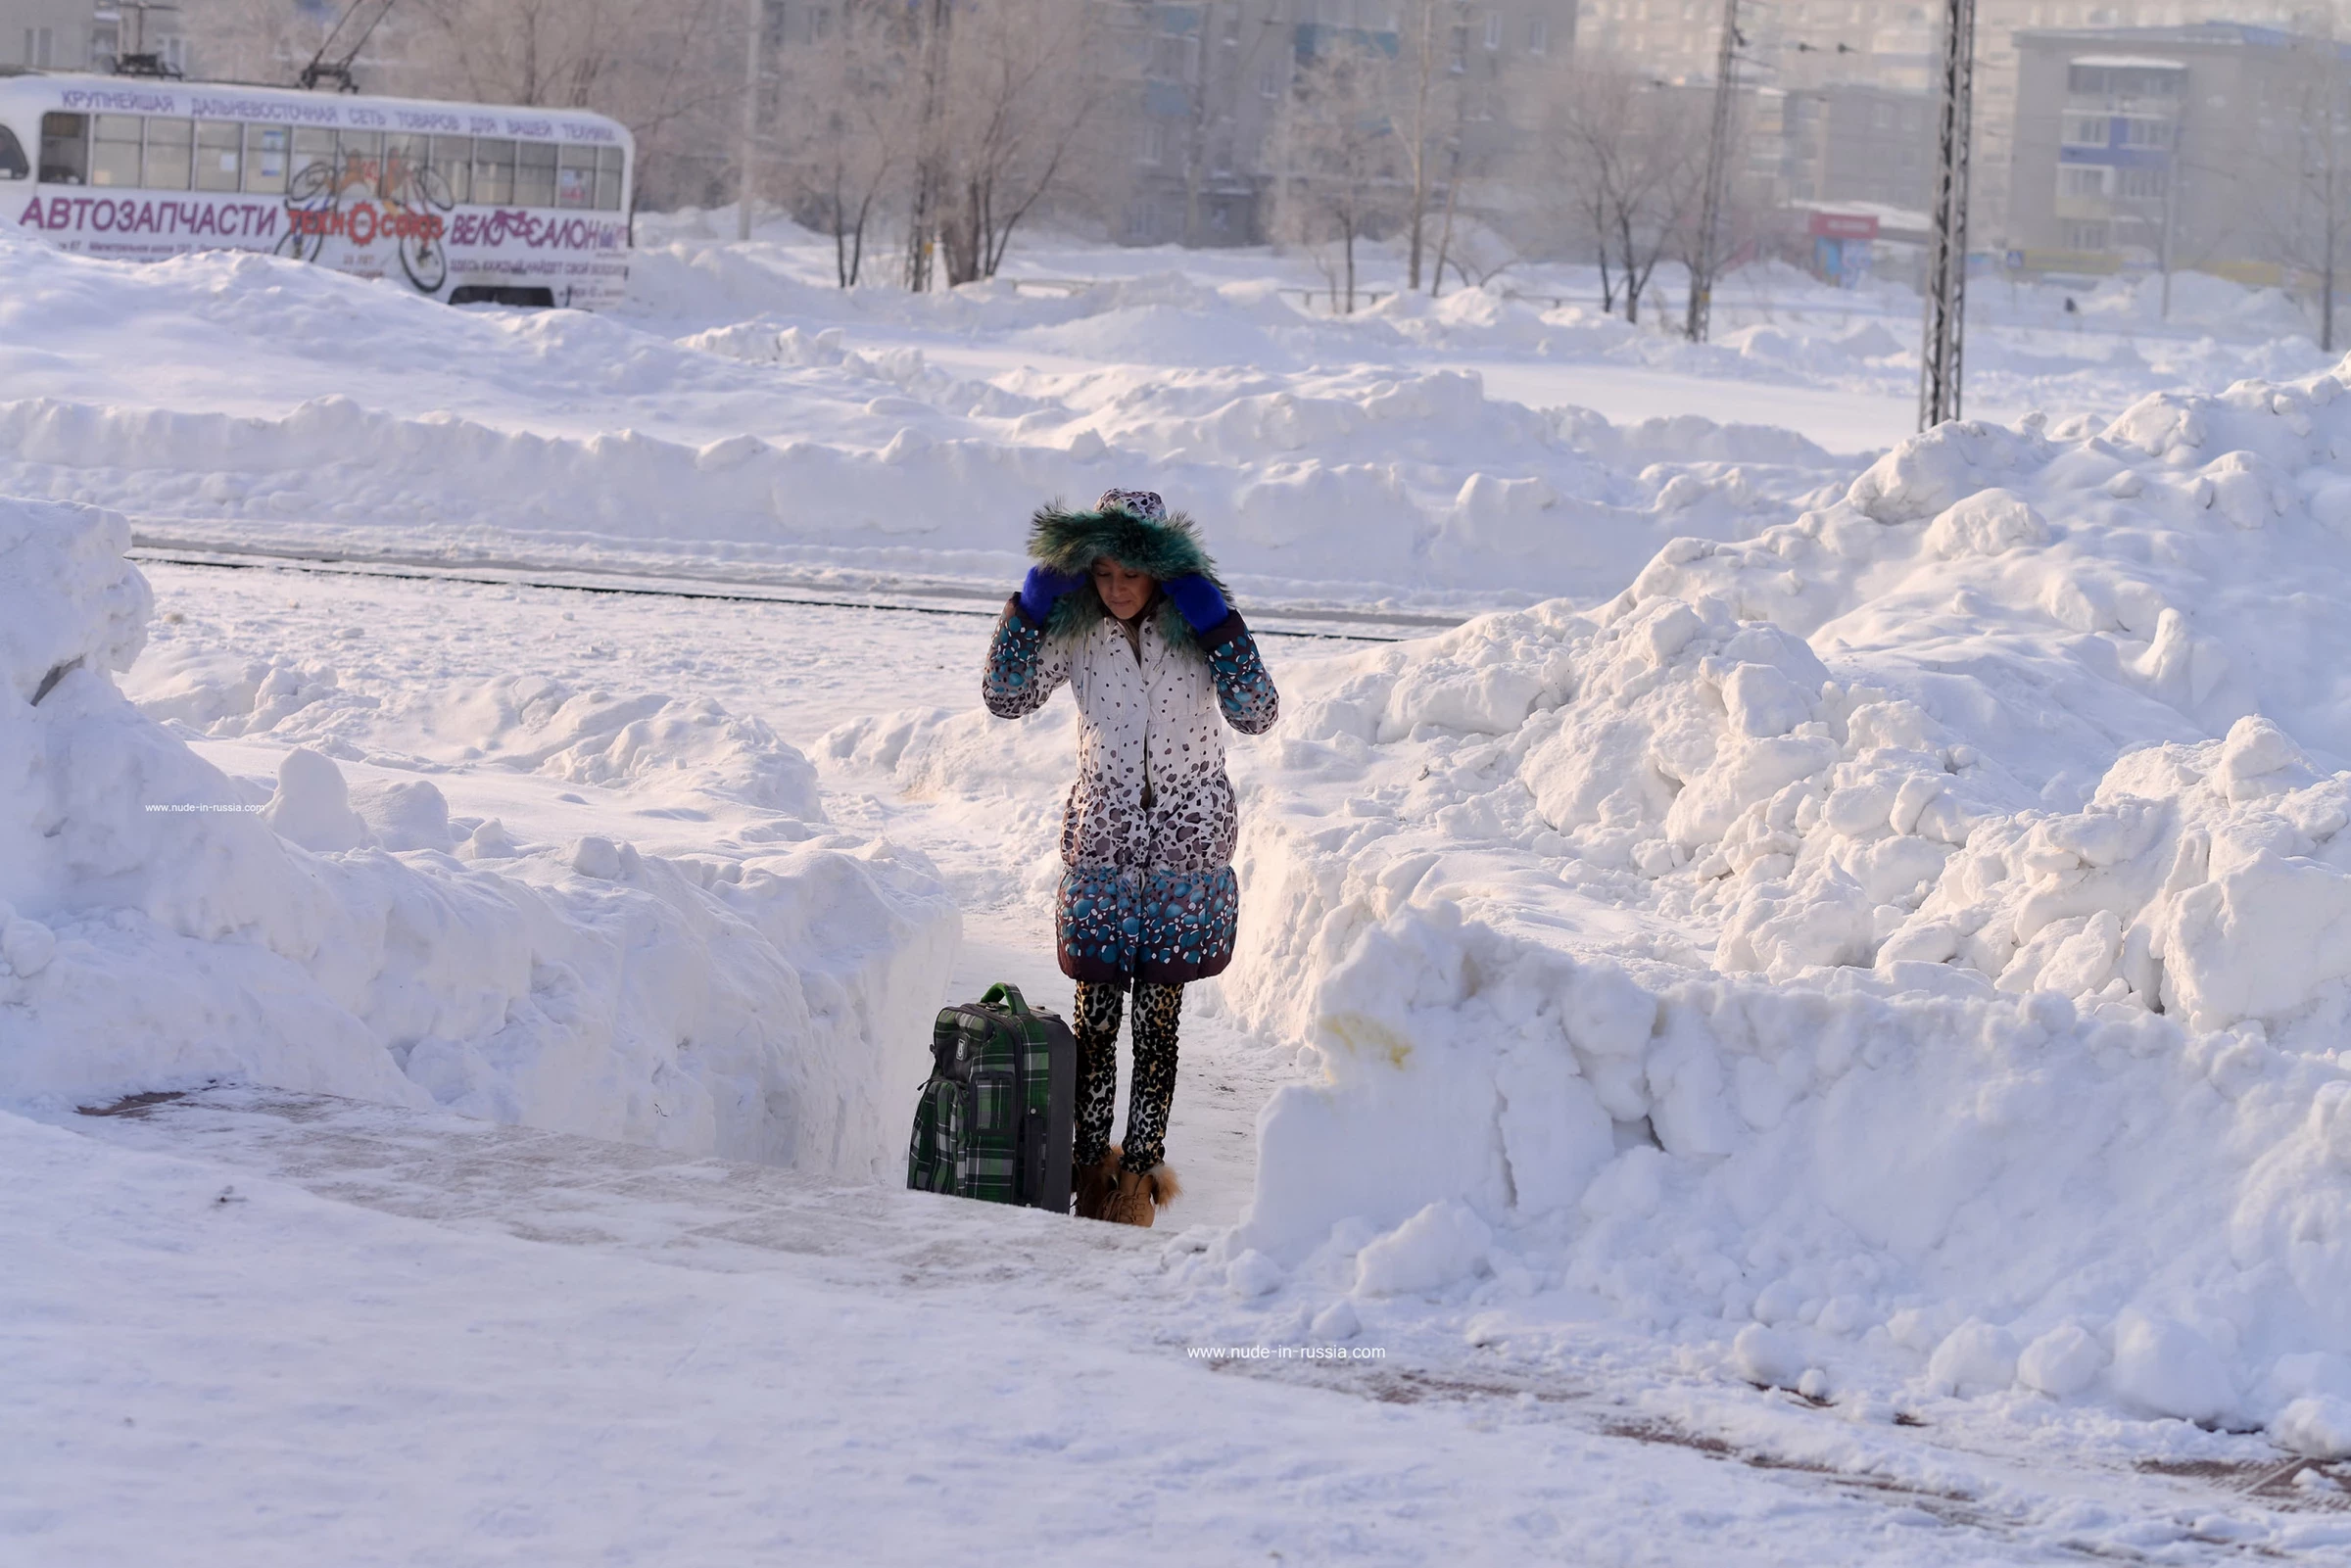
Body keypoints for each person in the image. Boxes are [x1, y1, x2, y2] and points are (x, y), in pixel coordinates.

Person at [981, 489, 1280, 1227]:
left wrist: (1218, 624)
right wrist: (1030, 606)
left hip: (1184, 855)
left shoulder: (1197, 636)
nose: (1116, 588)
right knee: (1096, 1022)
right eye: (1103, 572)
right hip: (1105, 852)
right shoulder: (1080, 631)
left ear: (1164, 575)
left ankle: (1137, 1181)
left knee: (1157, 1025)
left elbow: (1258, 712)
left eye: (1133, 574)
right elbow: (1003, 695)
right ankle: (1088, 1172)